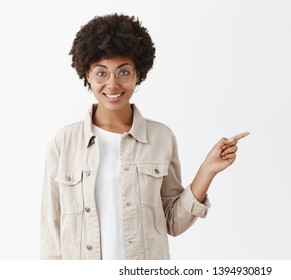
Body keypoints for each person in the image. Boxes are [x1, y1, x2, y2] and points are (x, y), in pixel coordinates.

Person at [40, 13, 249, 260]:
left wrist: (207, 171)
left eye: (123, 72)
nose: (112, 84)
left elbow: (173, 223)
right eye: (101, 73)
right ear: (87, 74)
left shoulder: (161, 138)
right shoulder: (64, 143)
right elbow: (51, 232)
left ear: (138, 73)